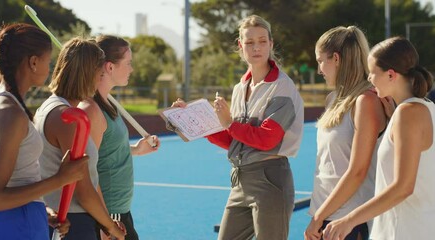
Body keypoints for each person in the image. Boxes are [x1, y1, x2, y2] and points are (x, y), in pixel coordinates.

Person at [172, 15, 304, 239]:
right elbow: (236, 141)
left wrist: (229, 123)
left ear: (271, 44)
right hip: (240, 179)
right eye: (250, 42)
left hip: (270, 180)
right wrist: (194, 121)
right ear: (240, 46)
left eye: (262, 41)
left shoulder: (282, 86)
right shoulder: (240, 87)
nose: (256, 47)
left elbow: (266, 139)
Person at [0, 23, 88, 239]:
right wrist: (61, 179)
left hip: (2, 222)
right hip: (17, 226)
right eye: (49, 61)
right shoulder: (11, 114)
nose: (49, 70)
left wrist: (39, 208)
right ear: (33, 62)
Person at [322, 37, 435, 240]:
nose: (370, 79)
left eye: (373, 72)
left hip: (403, 231)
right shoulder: (423, 108)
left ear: (391, 74)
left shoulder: (408, 114)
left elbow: (403, 187)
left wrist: (349, 220)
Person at [33, 37, 126, 240]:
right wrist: (111, 227)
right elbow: (83, 190)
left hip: (60, 218)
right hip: (71, 223)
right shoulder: (67, 117)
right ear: (87, 74)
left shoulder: (47, 108)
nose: (99, 80)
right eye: (99, 74)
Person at [304, 26, 388, 240]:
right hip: (326, 216)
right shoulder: (333, 100)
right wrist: (319, 215)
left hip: (349, 221)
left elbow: (357, 171)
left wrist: (319, 217)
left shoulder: (366, 101)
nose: (319, 69)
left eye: (321, 60)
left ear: (337, 59)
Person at [78, 35, 160, 240]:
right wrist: (105, 221)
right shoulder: (92, 110)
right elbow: (86, 169)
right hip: (109, 213)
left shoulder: (108, 104)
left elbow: (105, 151)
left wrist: (136, 150)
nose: (132, 69)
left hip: (120, 211)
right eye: (128, 63)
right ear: (110, 67)